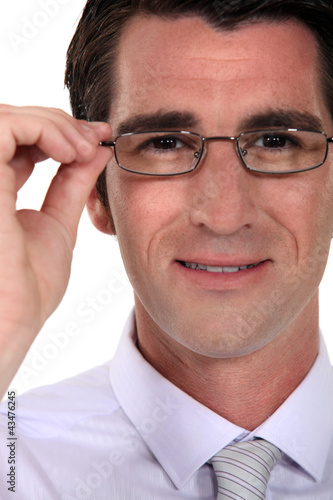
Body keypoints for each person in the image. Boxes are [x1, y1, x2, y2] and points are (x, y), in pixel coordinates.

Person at [1, 0, 333, 498]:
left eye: (274, 140)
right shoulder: (13, 461)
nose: (223, 215)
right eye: (164, 144)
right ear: (97, 192)